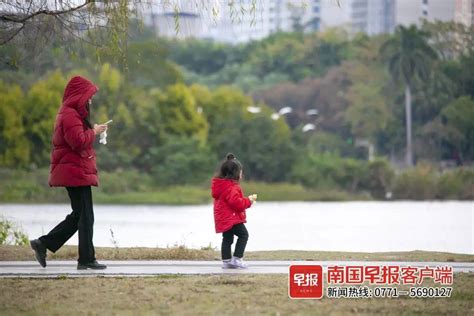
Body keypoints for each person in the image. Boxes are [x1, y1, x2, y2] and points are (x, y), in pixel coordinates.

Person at [29, 75, 109, 270]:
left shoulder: (71, 114)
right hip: (74, 172)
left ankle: (44, 243)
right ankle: (85, 260)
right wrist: (94, 132)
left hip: (75, 170)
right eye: (88, 96)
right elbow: (78, 141)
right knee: (85, 216)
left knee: (80, 215)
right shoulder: (70, 114)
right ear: (79, 96)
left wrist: (92, 129)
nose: (90, 100)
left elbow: (78, 138)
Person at [211, 153, 257, 269]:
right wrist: (249, 201)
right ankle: (237, 258)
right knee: (244, 235)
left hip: (223, 218)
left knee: (227, 238)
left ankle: (226, 261)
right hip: (232, 219)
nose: (242, 174)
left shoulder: (220, 186)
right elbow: (237, 204)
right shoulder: (232, 187)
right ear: (236, 173)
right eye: (241, 171)